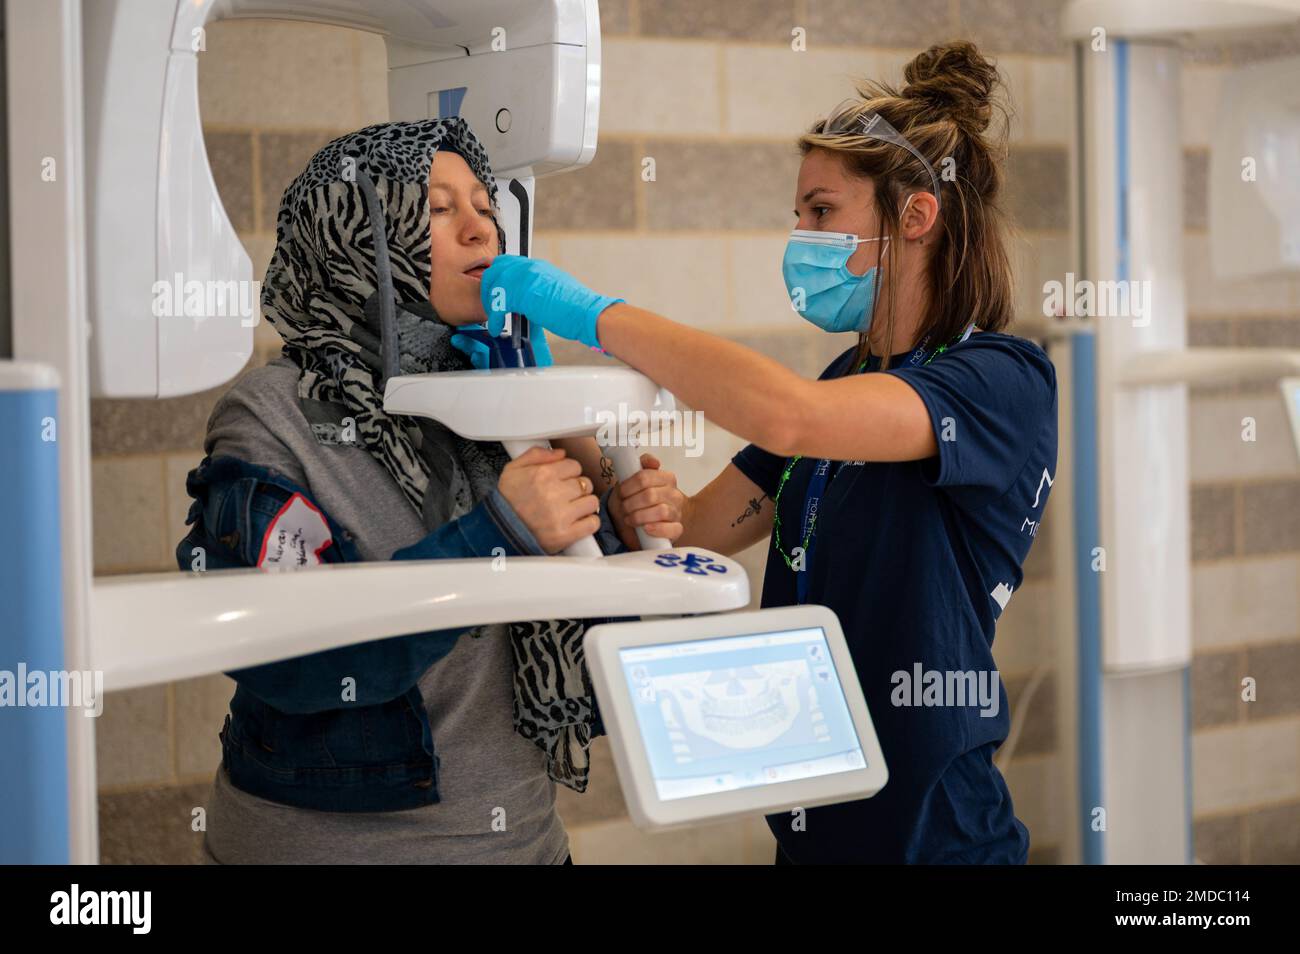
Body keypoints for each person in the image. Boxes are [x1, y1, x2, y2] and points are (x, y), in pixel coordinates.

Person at [473, 41, 1058, 864]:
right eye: (798, 215)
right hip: (815, 819)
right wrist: (537, 383)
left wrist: (591, 311)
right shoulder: (850, 378)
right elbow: (692, 535)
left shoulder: (999, 381)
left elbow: (787, 416)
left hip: (936, 835)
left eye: (821, 212)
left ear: (915, 216)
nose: (800, 236)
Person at [176, 117, 682, 864]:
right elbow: (290, 660)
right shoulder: (271, 415)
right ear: (351, 237)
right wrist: (496, 534)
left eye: (484, 207)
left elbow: (590, 635)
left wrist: (618, 526)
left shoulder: (497, 396)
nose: (482, 233)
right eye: (440, 211)